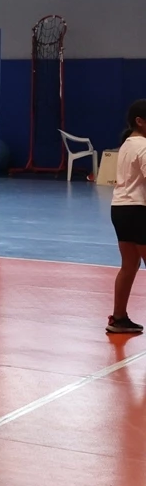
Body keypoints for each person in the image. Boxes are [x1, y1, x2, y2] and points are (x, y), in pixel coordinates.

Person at [108, 99, 146, 334]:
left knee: (129, 265)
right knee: (130, 264)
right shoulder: (143, 146)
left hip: (120, 209)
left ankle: (119, 318)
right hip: (138, 210)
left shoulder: (127, 145)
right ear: (140, 121)